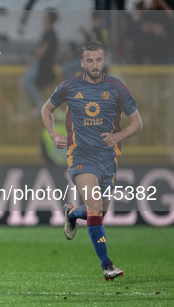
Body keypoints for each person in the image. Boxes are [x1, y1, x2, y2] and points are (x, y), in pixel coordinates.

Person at [41, 41, 143, 280]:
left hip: (108, 159)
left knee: (97, 214)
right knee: (96, 209)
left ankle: (72, 214)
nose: (94, 65)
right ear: (82, 63)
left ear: (104, 61)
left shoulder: (117, 88)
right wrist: (54, 134)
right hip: (80, 157)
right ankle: (107, 265)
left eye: (98, 60)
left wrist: (118, 135)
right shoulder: (70, 87)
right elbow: (46, 110)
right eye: (89, 61)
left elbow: (138, 123)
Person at [22, 10, 59, 115]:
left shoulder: (49, 33)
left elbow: (42, 50)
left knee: (26, 81)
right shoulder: (51, 33)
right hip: (44, 64)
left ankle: (39, 104)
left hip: (43, 65)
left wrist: (30, 61)